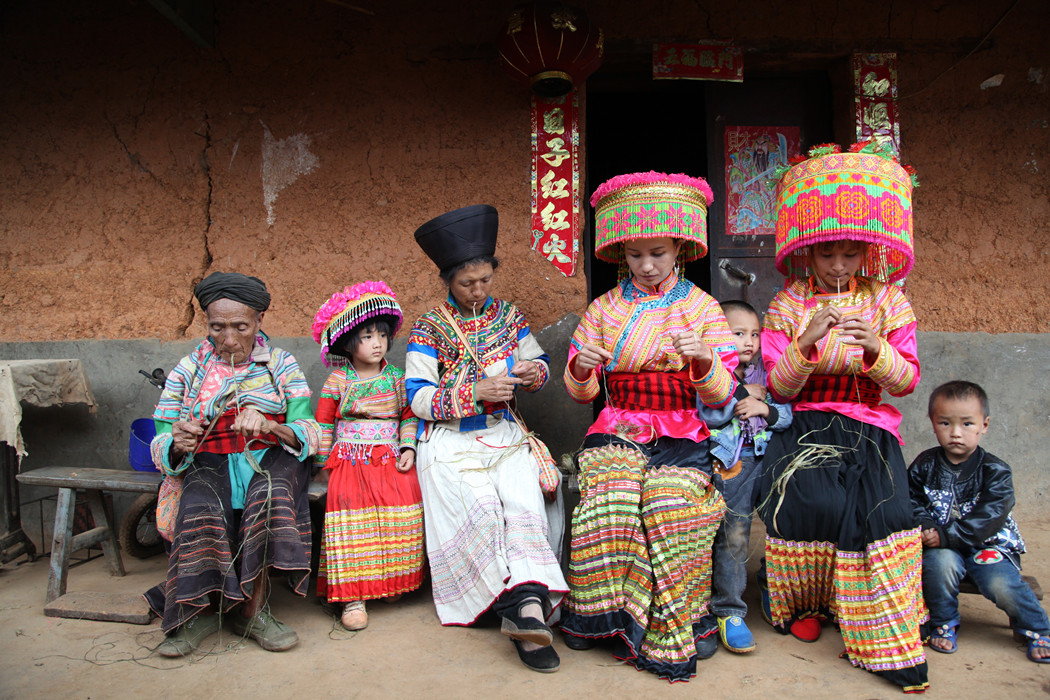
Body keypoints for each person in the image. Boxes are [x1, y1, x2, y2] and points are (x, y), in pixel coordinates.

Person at [753, 142, 928, 693]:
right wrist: (804, 343)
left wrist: (878, 348)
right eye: (826, 254)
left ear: (867, 252)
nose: (837, 266)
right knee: (807, 498)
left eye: (849, 254)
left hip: (871, 425)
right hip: (804, 422)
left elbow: (906, 382)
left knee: (887, 510)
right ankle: (805, 601)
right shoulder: (785, 306)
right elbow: (779, 386)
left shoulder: (891, 303)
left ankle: (882, 628)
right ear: (809, 252)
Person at [561, 172, 739, 681]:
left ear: (680, 247)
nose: (646, 265)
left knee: (669, 503)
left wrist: (704, 362)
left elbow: (723, 396)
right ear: (620, 254)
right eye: (635, 255)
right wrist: (580, 368)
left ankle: (676, 622)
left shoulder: (703, 308)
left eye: (657, 253)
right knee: (610, 499)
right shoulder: (602, 311)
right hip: (617, 424)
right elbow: (582, 394)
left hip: (684, 429)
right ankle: (602, 619)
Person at [404, 204, 568, 674]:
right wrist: (473, 392)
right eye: (466, 284)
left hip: (504, 435)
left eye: (485, 281)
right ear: (447, 282)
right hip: (450, 442)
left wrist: (531, 372)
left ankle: (527, 610)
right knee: (479, 509)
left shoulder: (510, 317)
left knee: (522, 506)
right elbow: (416, 398)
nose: (478, 290)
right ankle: (523, 610)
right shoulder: (429, 328)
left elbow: (540, 370)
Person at [146, 271, 320, 657]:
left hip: (270, 455)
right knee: (201, 503)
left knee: (266, 496)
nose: (228, 339)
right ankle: (200, 610)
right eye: (217, 327)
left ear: (259, 322)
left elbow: (310, 432)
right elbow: (160, 441)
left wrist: (273, 425)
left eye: (240, 326)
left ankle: (253, 610)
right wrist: (177, 441)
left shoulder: (281, 364)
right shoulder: (188, 369)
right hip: (210, 457)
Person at [909, 380, 1050, 663]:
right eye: (945, 423)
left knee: (1000, 581)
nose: (956, 433)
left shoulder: (995, 470)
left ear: (984, 425)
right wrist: (926, 527)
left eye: (967, 424)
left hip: (989, 546)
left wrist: (948, 534)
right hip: (942, 546)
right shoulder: (924, 464)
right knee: (938, 566)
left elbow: (991, 514)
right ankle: (944, 621)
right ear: (933, 423)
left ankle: (1037, 628)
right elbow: (910, 501)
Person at [310, 281, 424, 631]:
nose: (377, 343)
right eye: (366, 336)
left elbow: (409, 415)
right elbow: (324, 423)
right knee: (349, 515)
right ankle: (353, 596)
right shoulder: (338, 381)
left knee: (405, 504)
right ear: (348, 344)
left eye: (381, 335)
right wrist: (321, 468)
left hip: (389, 458)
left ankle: (390, 583)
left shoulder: (397, 378)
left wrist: (408, 447)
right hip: (349, 461)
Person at [698, 300, 792, 654]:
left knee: (779, 525)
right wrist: (734, 396)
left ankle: (775, 587)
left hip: (762, 461)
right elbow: (704, 413)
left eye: (755, 334)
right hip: (722, 465)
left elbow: (787, 414)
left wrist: (764, 408)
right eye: (738, 334)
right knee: (732, 533)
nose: (749, 342)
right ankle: (728, 609)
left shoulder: (768, 375)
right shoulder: (706, 371)